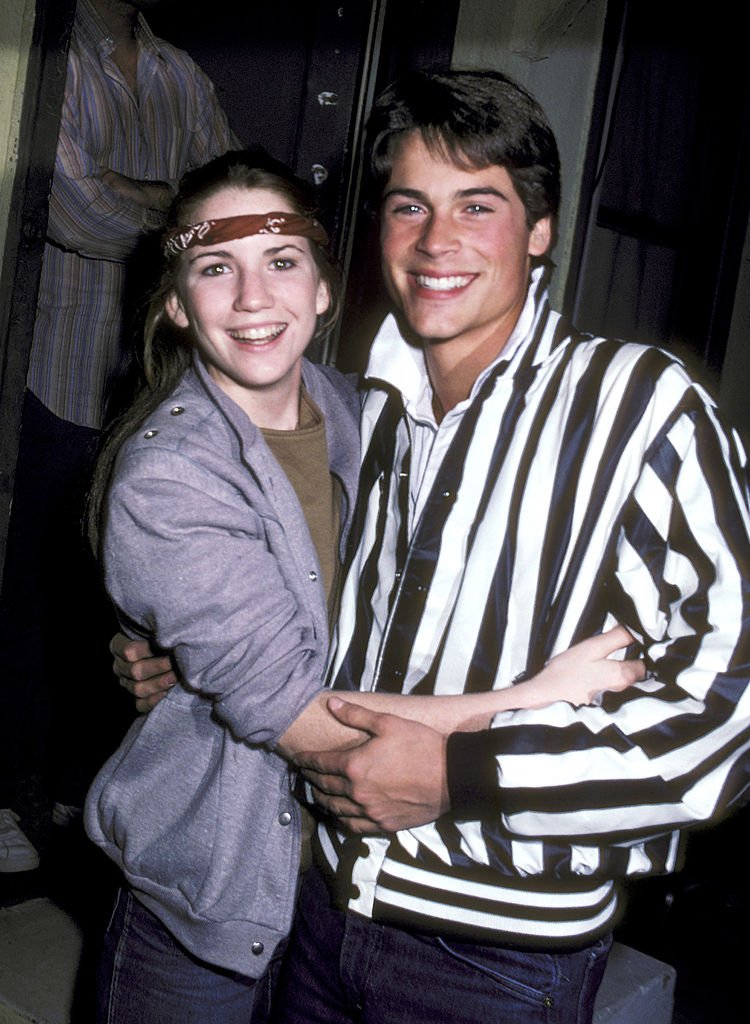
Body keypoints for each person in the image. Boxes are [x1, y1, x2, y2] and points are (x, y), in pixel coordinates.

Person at [113, 69, 750, 1023]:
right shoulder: (375, 409)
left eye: (478, 205)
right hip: (314, 912)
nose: (437, 242)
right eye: (410, 205)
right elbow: (285, 646)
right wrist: (184, 660)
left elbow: (725, 723)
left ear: (540, 231)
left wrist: (464, 775)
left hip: (496, 958)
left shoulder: (642, 409)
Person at [0, 0, 236, 871]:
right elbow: (67, 206)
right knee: (37, 595)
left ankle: (77, 796)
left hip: (159, 393)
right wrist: (182, 215)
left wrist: (144, 200)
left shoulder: (180, 70)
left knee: (134, 603)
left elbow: (233, 206)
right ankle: (9, 793)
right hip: (55, 375)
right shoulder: (48, 51)